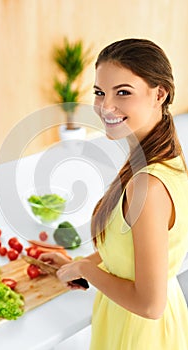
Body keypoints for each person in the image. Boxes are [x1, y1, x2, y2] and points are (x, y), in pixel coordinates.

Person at [40, 38, 188, 349]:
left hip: (140, 334)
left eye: (123, 92)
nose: (105, 106)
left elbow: (150, 305)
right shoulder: (164, 156)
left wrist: (85, 269)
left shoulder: (147, 185)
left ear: (159, 94)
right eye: (99, 92)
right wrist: (78, 263)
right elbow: (134, 253)